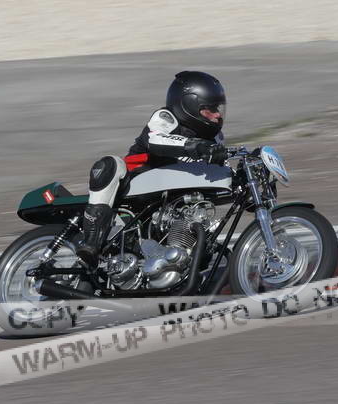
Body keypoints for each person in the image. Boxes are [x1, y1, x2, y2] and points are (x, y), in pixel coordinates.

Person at [75, 70, 229, 267]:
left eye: (218, 109)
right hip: (135, 184)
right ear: (189, 105)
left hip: (171, 208)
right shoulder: (166, 118)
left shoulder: (214, 138)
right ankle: (91, 242)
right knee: (110, 164)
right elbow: (155, 140)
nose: (217, 115)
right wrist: (195, 146)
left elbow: (220, 173)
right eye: (210, 109)